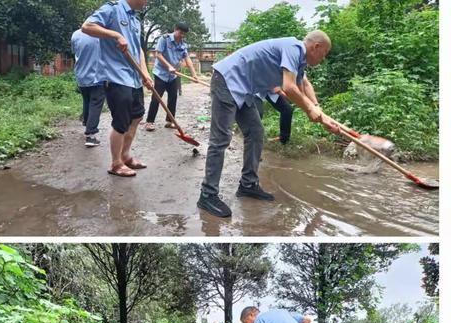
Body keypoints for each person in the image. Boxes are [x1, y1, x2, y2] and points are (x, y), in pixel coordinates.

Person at [197, 30, 339, 218]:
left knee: (256, 132)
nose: (323, 59)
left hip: (245, 89)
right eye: (324, 54)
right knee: (221, 139)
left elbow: (303, 85)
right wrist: (310, 110)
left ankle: (248, 184)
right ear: (316, 47)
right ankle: (207, 194)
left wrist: (322, 114)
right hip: (227, 80)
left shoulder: (300, 61)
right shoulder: (293, 47)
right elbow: (289, 87)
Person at [82, 0, 153, 178]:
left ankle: (125, 155)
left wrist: (145, 73)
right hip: (115, 76)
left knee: (136, 116)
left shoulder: (135, 20)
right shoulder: (112, 9)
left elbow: (139, 51)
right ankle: (115, 163)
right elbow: (87, 26)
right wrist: (114, 34)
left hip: (133, 78)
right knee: (121, 121)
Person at [145, 22, 198, 131]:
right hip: (161, 74)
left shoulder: (183, 45)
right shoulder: (164, 39)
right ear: (175, 29)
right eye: (180, 32)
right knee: (156, 97)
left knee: (173, 97)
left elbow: (187, 59)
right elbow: (158, 54)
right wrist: (169, 66)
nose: (182, 35)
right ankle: (149, 122)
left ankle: (170, 121)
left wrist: (194, 75)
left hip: (173, 75)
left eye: (184, 34)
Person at [71, 29, 106, 147]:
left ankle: (87, 122)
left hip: (81, 76)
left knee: (87, 101)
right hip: (97, 77)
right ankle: (91, 135)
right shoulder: (101, 35)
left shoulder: (76, 34)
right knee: (95, 104)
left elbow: (74, 51)